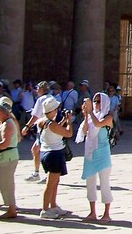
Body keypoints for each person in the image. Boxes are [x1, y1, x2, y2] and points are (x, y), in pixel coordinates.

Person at [77, 92, 114, 222]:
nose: (96, 104)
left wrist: (91, 112)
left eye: (98, 102)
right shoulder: (92, 117)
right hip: (90, 153)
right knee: (90, 183)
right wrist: (86, 114)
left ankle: (106, 213)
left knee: (104, 183)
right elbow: (84, 130)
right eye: (94, 101)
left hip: (102, 154)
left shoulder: (108, 117)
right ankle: (92, 211)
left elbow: (98, 124)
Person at [37, 96, 73, 219]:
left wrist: (62, 121)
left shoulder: (42, 121)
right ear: (52, 110)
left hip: (46, 152)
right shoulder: (52, 124)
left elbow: (54, 129)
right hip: (54, 154)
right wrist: (68, 122)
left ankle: (53, 205)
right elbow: (68, 133)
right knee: (51, 183)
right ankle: (45, 209)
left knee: (55, 182)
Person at [21, 81, 52, 183]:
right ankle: (37, 173)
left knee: (44, 151)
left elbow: (35, 116)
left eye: (38, 88)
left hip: (43, 129)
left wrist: (27, 126)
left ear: (42, 89)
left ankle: (47, 174)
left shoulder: (41, 99)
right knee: (36, 150)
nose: (36, 90)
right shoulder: (52, 98)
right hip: (50, 128)